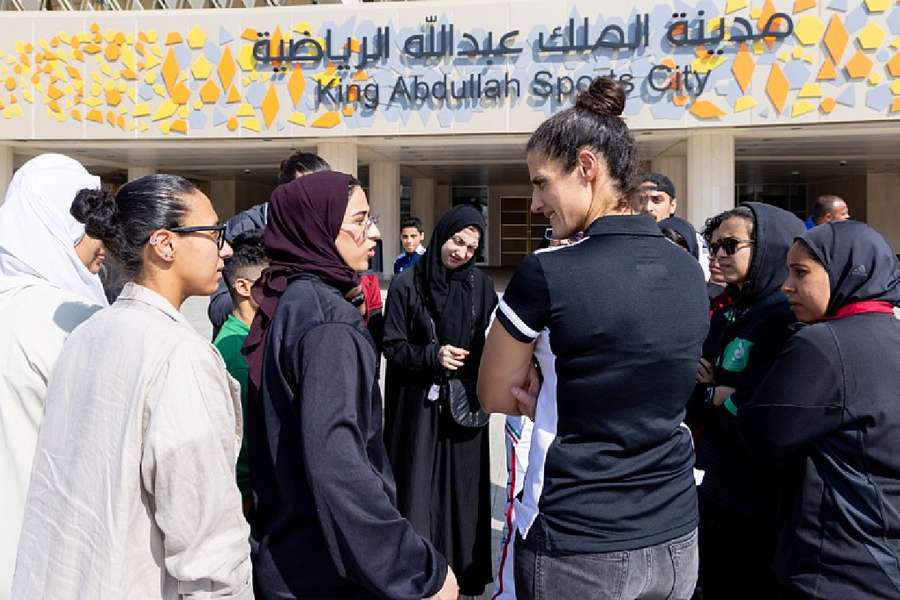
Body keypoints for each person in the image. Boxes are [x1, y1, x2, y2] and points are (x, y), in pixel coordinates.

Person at [478, 77, 709, 600]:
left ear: (586, 167)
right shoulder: (688, 269)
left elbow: (493, 394)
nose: (536, 203)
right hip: (676, 539)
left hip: (581, 543)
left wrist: (552, 392)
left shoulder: (548, 272)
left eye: (541, 183)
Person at [11, 174, 252, 599]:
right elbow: (207, 545)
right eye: (214, 233)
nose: (226, 248)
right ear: (165, 243)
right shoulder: (179, 355)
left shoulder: (87, 335)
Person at [243, 171, 456, 600]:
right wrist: (415, 570)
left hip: (290, 553)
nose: (374, 232)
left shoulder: (291, 300)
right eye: (359, 220)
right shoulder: (328, 324)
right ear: (317, 227)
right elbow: (338, 465)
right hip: (326, 571)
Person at [737, 220, 900, 600]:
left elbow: (763, 435)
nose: (786, 286)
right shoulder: (890, 332)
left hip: (841, 564)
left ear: (847, 271)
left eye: (801, 273)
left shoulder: (822, 344)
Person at [0, 154, 108, 599]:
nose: (101, 243)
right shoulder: (73, 320)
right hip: (52, 559)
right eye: (88, 229)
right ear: (56, 228)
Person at [689, 203, 805, 600]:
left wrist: (720, 394)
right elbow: (700, 391)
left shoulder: (784, 320)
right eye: (714, 245)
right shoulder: (727, 314)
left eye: (731, 245)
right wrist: (716, 393)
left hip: (761, 503)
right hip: (716, 487)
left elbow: (763, 408)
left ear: (769, 248)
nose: (719, 254)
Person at [382, 205, 498, 597]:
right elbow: (393, 346)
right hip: (419, 405)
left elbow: (484, 340)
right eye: (457, 241)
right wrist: (433, 356)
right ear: (441, 235)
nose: (462, 252)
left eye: (471, 246)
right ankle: (417, 573)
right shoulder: (406, 284)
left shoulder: (479, 286)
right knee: (417, 489)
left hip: (463, 404)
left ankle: (462, 572)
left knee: (462, 492)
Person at [207, 150, 330, 334]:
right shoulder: (243, 228)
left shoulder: (324, 230)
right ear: (283, 193)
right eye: (308, 191)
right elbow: (219, 308)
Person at [212, 229, 268, 519]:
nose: (278, 291)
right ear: (244, 288)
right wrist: (246, 496)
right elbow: (242, 435)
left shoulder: (254, 336)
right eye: (269, 284)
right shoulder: (236, 349)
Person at [640, 174, 711, 280]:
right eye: (641, 200)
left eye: (657, 200)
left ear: (672, 205)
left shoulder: (691, 239)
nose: (648, 207)